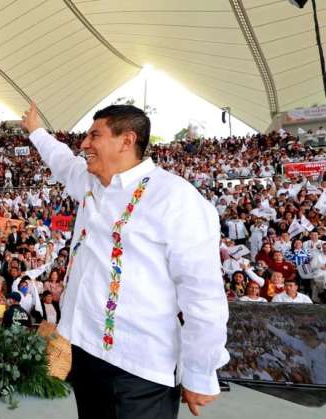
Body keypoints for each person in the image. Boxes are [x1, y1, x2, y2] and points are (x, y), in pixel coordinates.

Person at [22, 102, 228, 418]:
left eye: (95, 135)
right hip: (86, 352)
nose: (85, 144)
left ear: (126, 140)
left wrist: (201, 371)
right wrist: (35, 130)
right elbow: (60, 159)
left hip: (140, 369)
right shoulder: (89, 183)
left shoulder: (175, 198)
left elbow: (203, 294)